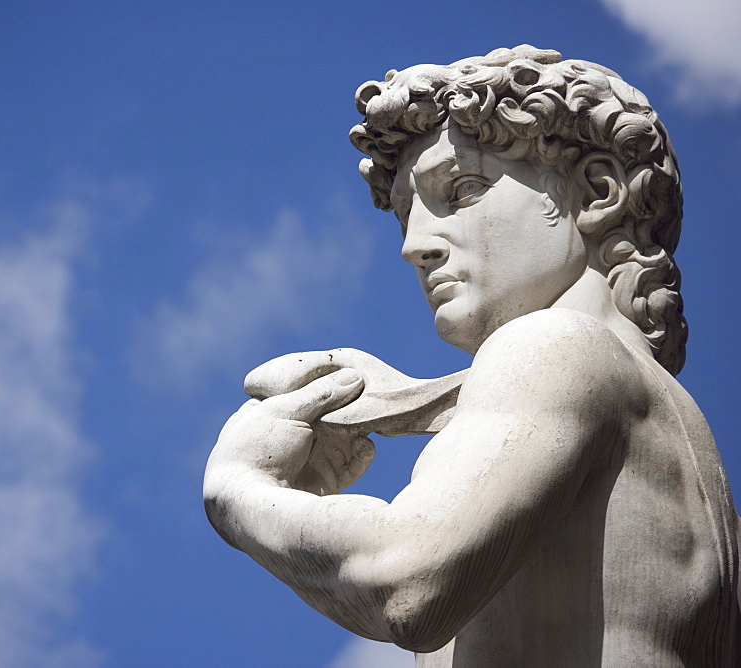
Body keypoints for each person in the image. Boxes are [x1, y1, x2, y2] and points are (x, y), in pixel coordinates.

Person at [203, 46, 740, 665]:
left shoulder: (555, 345)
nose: (415, 245)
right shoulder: (682, 441)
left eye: (460, 189)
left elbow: (402, 582)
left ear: (595, 193)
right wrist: (409, 405)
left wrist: (240, 488)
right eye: (406, 214)